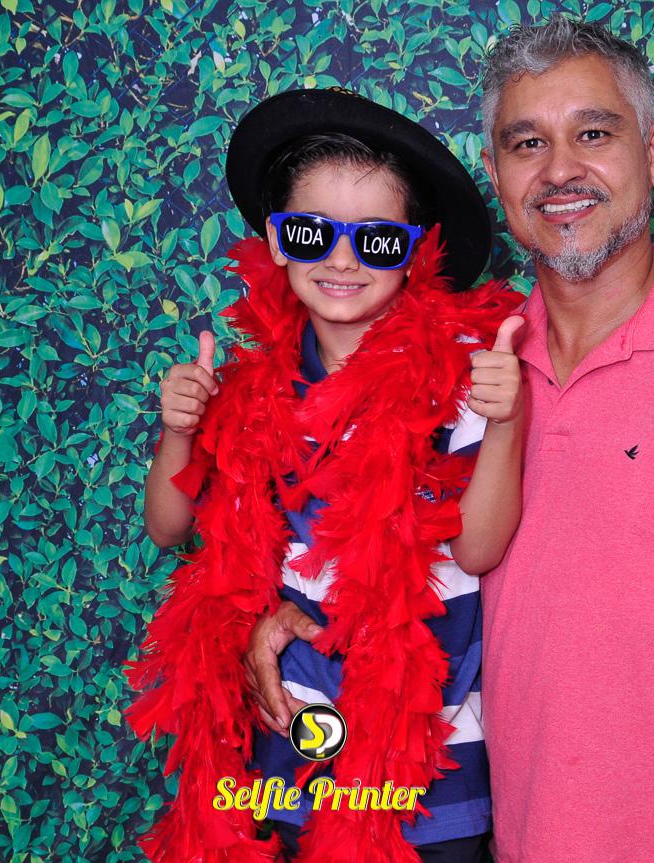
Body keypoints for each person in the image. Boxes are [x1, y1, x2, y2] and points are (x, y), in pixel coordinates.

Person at [244, 18, 654, 863]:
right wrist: (286, 620)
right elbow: (378, 549)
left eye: (593, 133)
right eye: (528, 143)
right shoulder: (462, 370)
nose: (559, 170)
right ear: (496, 175)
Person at [128, 88, 527, 862]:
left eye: (376, 240)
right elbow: (168, 528)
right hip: (284, 758)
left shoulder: (461, 385)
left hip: (422, 777)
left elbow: (477, 548)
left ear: (415, 252)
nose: (342, 260)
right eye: (312, 233)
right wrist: (178, 432)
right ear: (277, 241)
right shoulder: (253, 392)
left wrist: (506, 420)